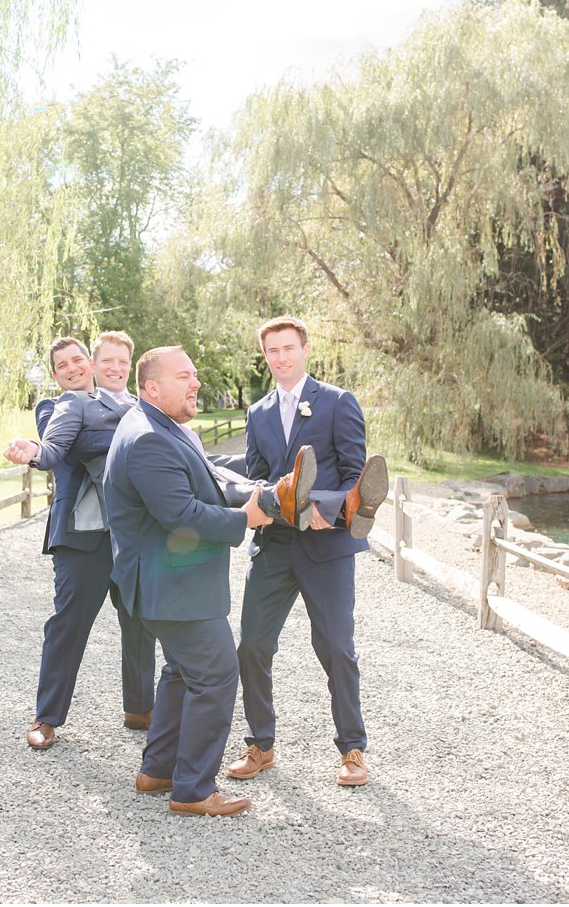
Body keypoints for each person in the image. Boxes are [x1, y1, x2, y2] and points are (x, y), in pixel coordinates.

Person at [104, 346, 272, 817]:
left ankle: (157, 770)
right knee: (217, 674)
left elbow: (197, 486)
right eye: (185, 376)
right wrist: (245, 520)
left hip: (167, 587)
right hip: (173, 589)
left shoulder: (155, 426)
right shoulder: (148, 438)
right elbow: (180, 514)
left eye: (195, 374)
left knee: (182, 671)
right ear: (152, 387)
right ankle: (194, 789)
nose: (195, 383)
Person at [226, 316, 389, 788]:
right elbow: (257, 477)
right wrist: (273, 504)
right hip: (275, 542)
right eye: (272, 351)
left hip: (327, 544)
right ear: (266, 356)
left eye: (288, 348)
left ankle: (353, 749)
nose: (280, 358)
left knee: (336, 648)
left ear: (305, 349)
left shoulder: (337, 403)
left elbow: (356, 473)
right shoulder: (257, 414)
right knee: (252, 645)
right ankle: (260, 744)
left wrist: (326, 507)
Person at [2, 333, 154, 749]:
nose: (71, 369)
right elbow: (64, 446)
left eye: (76, 361)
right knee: (68, 625)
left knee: (140, 621)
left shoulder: (133, 406)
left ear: (90, 362)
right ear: (56, 375)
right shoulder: (56, 406)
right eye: (61, 366)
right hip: (81, 537)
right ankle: (46, 717)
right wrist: (34, 450)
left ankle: (140, 707)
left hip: (129, 535)